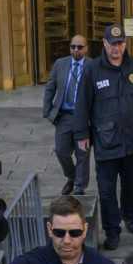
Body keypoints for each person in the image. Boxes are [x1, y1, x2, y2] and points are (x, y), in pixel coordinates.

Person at [78, 22, 133, 251]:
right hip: (106, 140)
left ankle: (129, 215)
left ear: (125, 44)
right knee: (106, 190)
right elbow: (82, 105)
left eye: (120, 43)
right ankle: (112, 230)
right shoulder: (92, 70)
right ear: (104, 44)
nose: (117, 48)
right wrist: (82, 134)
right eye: (112, 44)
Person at [42, 33, 92, 194]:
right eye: (73, 47)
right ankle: (72, 177)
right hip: (64, 115)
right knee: (61, 151)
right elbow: (50, 87)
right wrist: (47, 111)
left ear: (86, 49)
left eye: (80, 47)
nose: (76, 50)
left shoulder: (93, 66)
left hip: (84, 117)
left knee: (82, 154)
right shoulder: (60, 64)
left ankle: (79, 186)